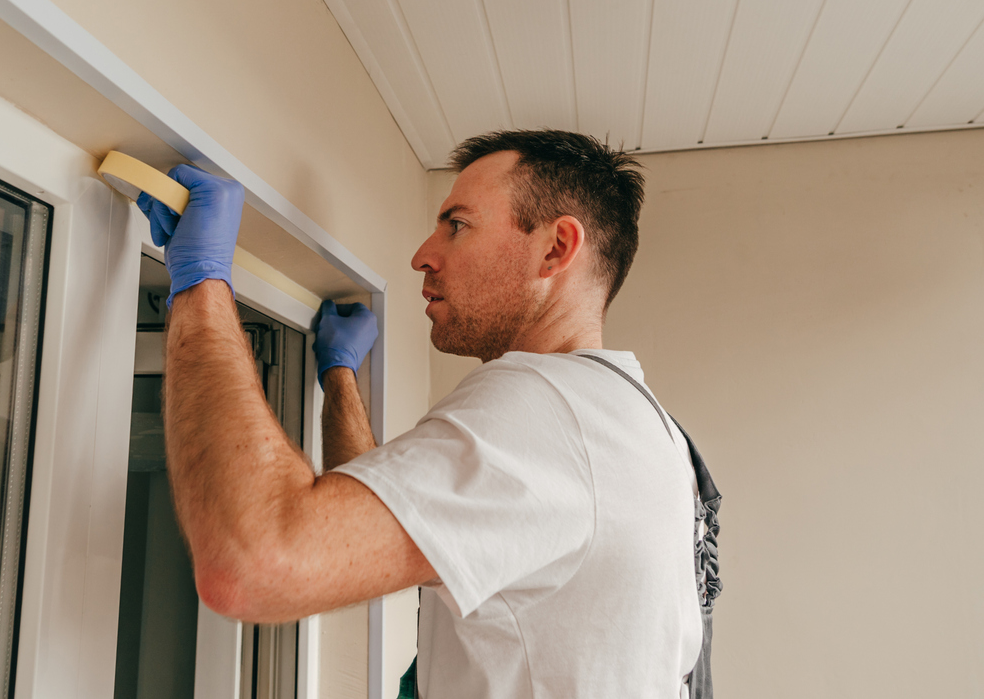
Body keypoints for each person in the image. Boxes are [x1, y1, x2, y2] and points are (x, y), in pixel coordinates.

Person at [143, 129, 701, 698]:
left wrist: (203, 285)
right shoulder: (629, 420)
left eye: (456, 225)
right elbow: (363, 538)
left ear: (556, 248)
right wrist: (339, 377)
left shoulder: (543, 408)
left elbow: (257, 562)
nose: (421, 256)